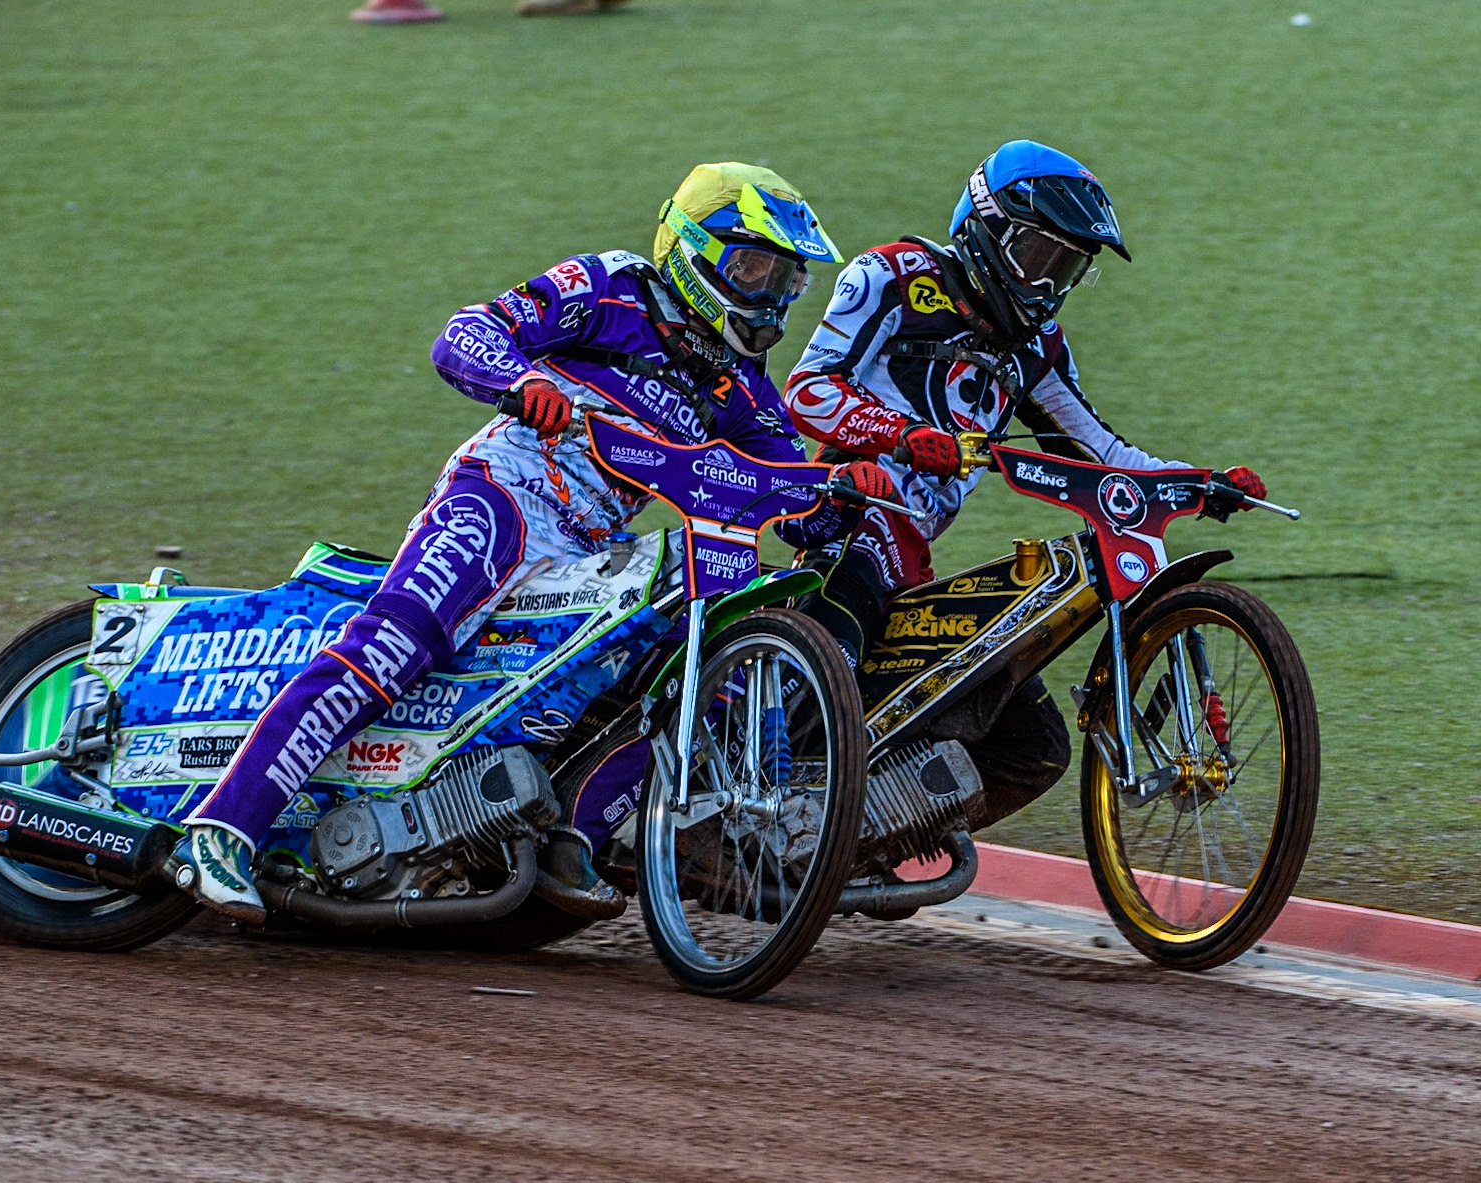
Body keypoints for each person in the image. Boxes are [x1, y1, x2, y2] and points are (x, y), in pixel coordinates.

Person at [175, 163, 875, 923]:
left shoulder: (741, 388)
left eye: (786, 279)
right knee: (394, 642)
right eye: (754, 267)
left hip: (585, 555)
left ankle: (576, 830)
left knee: (703, 635)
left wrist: (851, 488)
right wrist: (518, 381)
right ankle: (222, 828)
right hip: (500, 495)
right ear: (694, 251)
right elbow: (466, 333)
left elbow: (798, 504)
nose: (770, 295)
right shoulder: (610, 286)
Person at [784, 139, 1268, 831]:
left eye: (1068, 268)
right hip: (846, 521)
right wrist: (899, 435)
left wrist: (1200, 482)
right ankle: (765, 779)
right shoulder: (891, 275)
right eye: (1041, 258)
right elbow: (804, 389)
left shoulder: (1038, 347)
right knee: (841, 629)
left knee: (1035, 748)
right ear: (987, 229)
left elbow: (1101, 452)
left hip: (916, 560)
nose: (1049, 285)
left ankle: (861, 840)